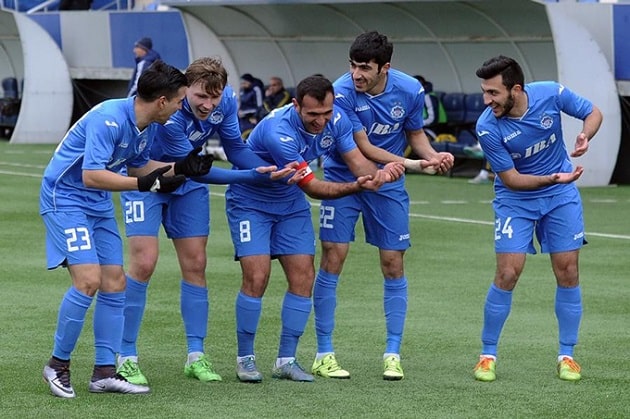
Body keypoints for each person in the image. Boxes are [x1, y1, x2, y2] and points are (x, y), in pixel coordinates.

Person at [117, 56, 298, 386]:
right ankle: (126, 355)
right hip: (149, 179)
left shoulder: (226, 101)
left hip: (187, 184)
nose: (208, 104)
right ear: (185, 89)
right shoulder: (171, 116)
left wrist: (267, 168)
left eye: (214, 97)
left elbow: (235, 149)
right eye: (202, 96)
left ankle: (196, 356)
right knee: (144, 262)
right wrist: (252, 178)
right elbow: (194, 166)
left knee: (197, 263)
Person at [40, 60, 214, 398]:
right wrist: (143, 184)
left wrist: (181, 167)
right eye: (179, 100)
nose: (182, 107)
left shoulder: (145, 126)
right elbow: (92, 175)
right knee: (88, 279)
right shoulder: (109, 118)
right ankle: (57, 365)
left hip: (97, 202)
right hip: (66, 198)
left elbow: (139, 166)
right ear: (162, 101)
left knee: (115, 280)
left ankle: (104, 372)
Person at [226, 75, 407, 383]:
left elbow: (356, 161)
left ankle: (286, 360)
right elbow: (315, 188)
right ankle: (245, 359)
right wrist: (356, 186)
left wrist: (378, 177)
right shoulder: (278, 131)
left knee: (303, 276)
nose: (321, 121)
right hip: (251, 201)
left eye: (326, 113)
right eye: (312, 115)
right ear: (296, 106)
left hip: (289, 201)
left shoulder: (336, 118)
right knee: (257, 276)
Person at [312, 31, 454, 381]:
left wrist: (434, 156)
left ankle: (393, 353)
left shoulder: (409, 90)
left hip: (389, 184)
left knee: (392, 262)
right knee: (333, 254)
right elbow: (363, 149)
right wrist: (416, 165)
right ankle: (324, 352)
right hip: (343, 177)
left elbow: (414, 133)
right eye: (353, 65)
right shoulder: (341, 92)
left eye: (365, 68)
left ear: (385, 67)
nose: (356, 74)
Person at [471, 55, 602, 382]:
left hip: (560, 197)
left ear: (515, 89)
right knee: (508, 272)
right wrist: (552, 178)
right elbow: (512, 179)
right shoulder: (487, 126)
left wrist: (586, 135)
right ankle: (487, 355)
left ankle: (567, 355)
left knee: (568, 270)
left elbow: (593, 112)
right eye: (484, 93)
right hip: (516, 199)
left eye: (493, 93)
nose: (487, 101)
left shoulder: (550, 93)